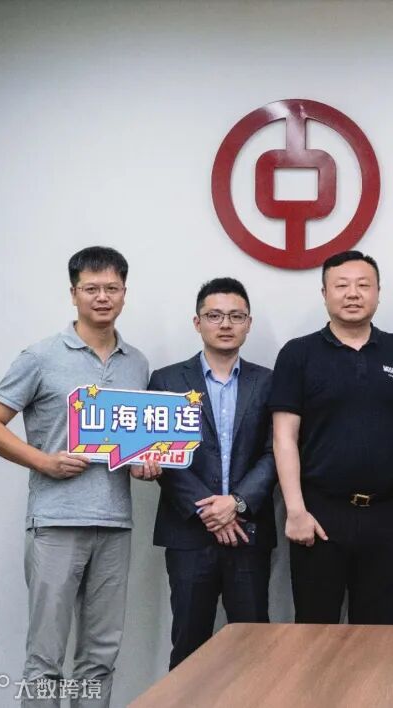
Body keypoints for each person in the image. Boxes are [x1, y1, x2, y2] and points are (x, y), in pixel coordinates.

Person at [0, 246, 157, 708]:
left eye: (111, 288)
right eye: (91, 288)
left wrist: (144, 463)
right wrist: (43, 461)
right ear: (73, 294)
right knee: (45, 657)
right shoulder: (40, 356)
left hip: (115, 523)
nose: (102, 297)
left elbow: (132, 442)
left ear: (125, 293)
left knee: (101, 656)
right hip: (56, 521)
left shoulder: (137, 363)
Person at [269, 251, 393, 624]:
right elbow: (284, 437)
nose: (353, 294)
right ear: (324, 294)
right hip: (320, 512)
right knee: (315, 631)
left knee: (378, 632)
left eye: (363, 285)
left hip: (387, 514)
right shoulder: (298, 353)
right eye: (342, 285)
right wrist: (296, 510)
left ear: (378, 293)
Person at [149, 278, 276, 669]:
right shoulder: (166, 380)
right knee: (189, 646)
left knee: (254, 648)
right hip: (188, 533)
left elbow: (275, 451)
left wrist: (236, 502)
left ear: (249, 323)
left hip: (248, 531)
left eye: (236, 316)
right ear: (197, 322)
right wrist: (209, 509)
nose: (225, 324)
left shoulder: (268, 381)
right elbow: (162, 454)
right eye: (215, 315)